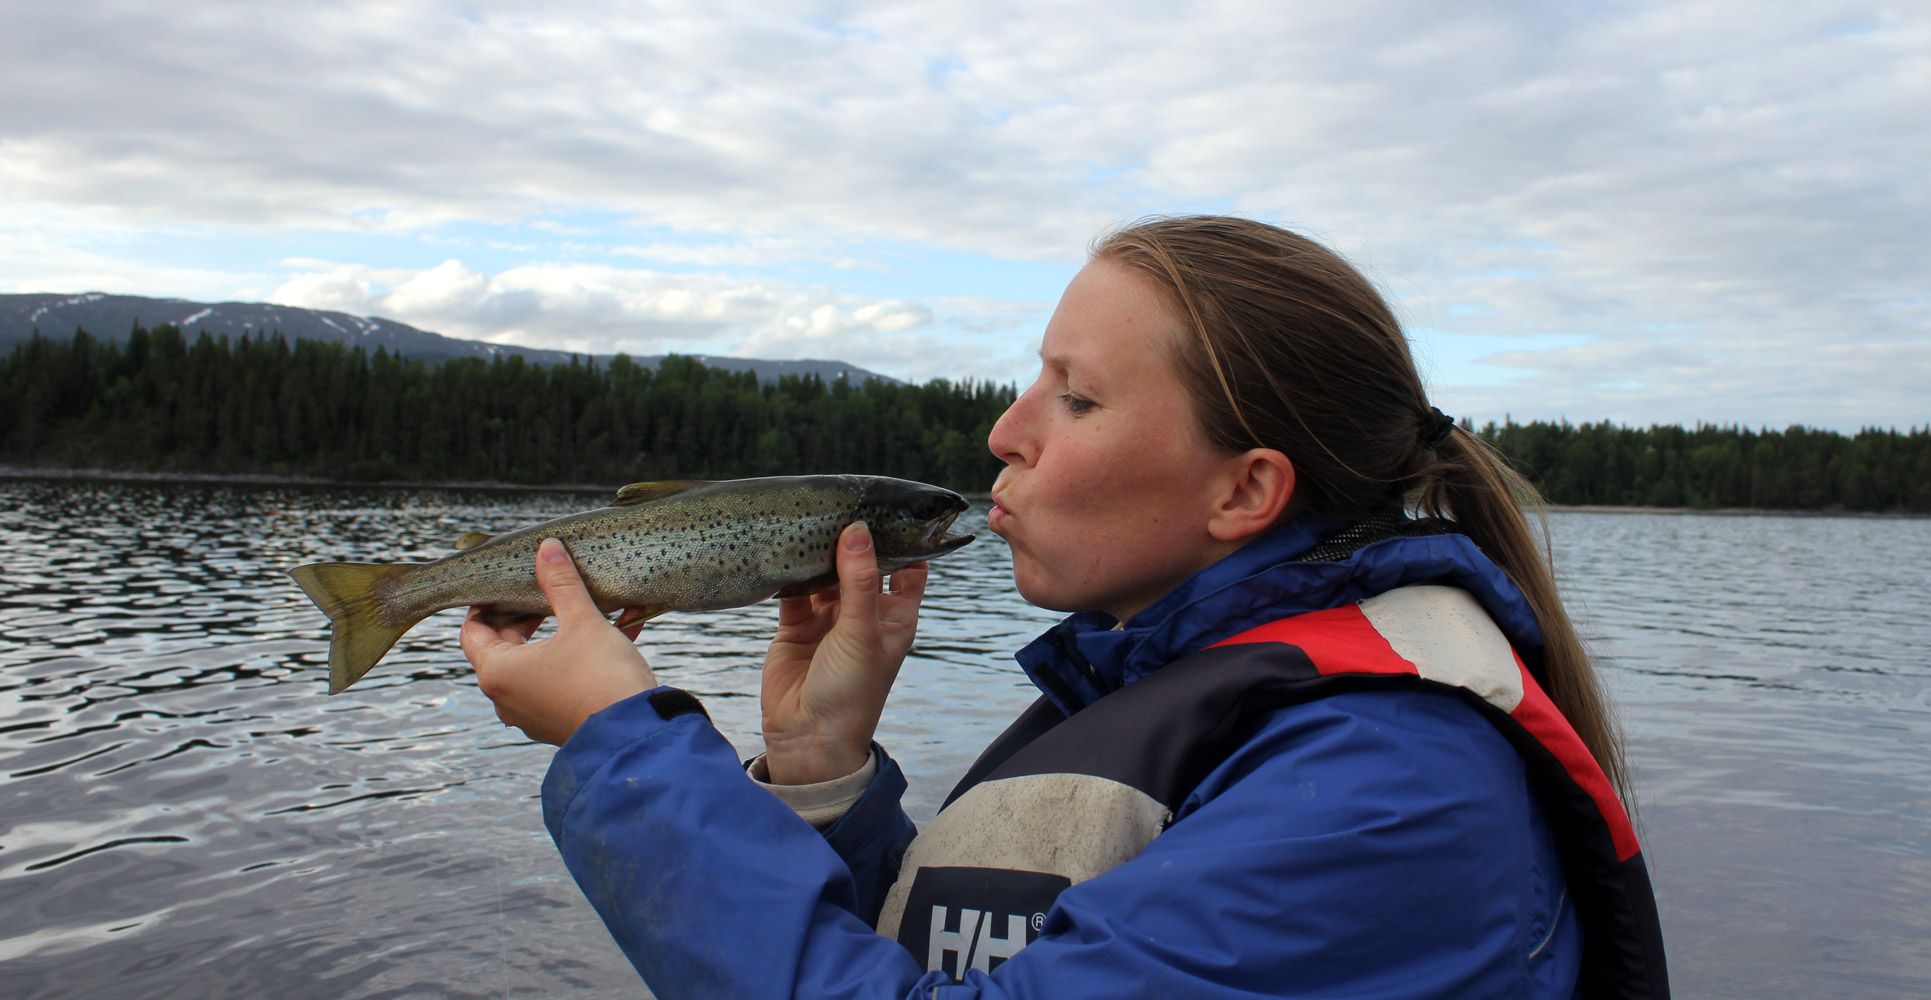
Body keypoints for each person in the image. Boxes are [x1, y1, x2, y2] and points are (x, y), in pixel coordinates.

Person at [460, 215, 1670, 998]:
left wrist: (625, 748)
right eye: (1032, 378)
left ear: (1246, 489)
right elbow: (968, 960)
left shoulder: (1382, 789)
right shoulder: (1184, 696)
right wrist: (821, 769)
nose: (1005, 432)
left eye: (1075, 398)